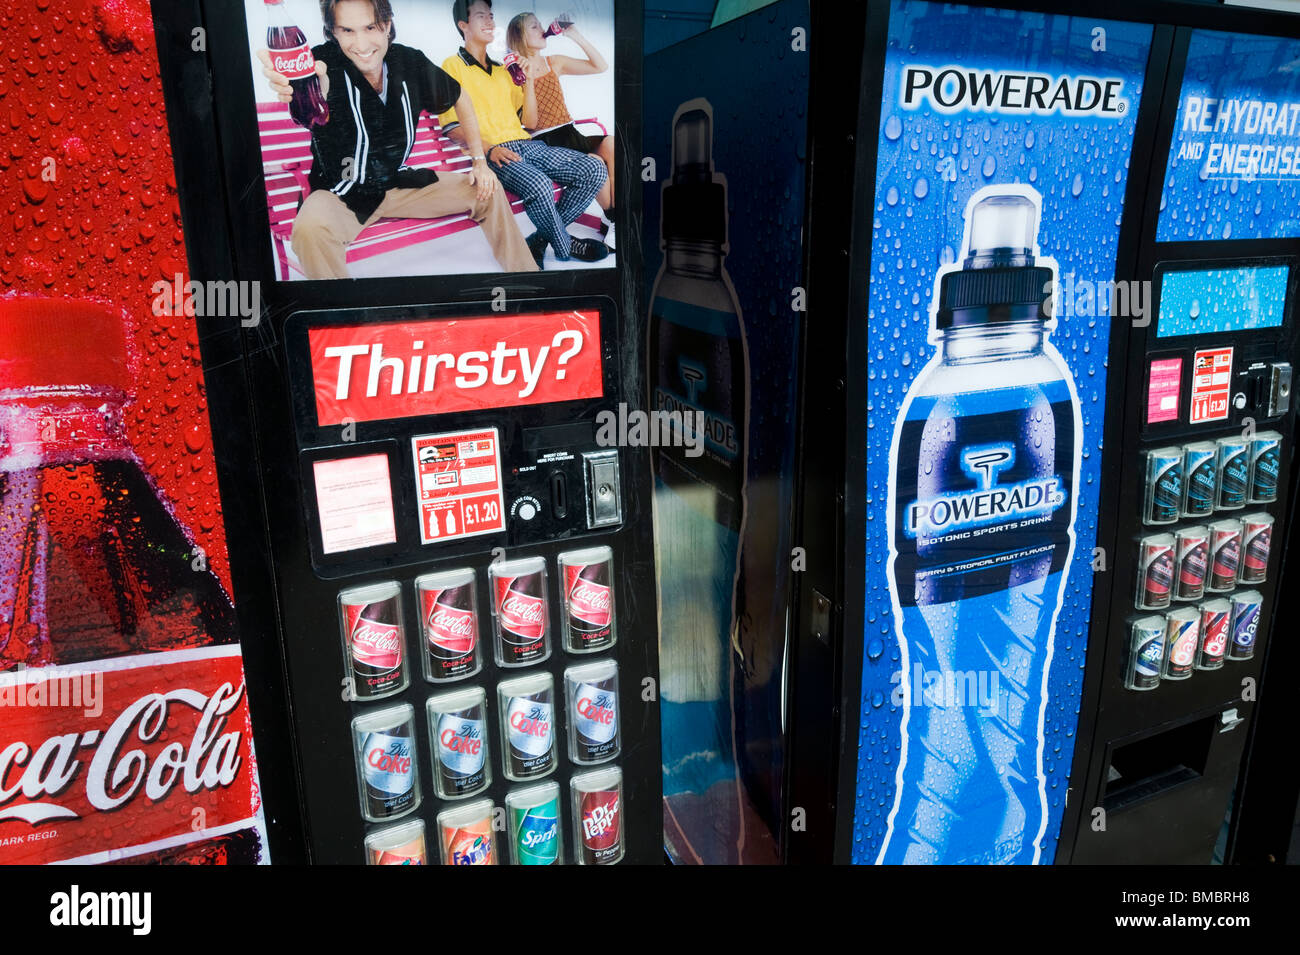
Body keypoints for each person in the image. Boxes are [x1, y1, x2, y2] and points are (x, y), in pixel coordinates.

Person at [257, 0, 538, 279]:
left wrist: (479, 161)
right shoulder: (321, 63)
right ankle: (343, 317)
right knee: (310, 230)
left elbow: (460, 96)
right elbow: (311, 94)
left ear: (387, 26)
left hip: (400, 183)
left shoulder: (409, 61)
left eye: (370, 27)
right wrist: (304, 89)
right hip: (341, 194)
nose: (361, 43)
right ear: (333, 32)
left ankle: (529, 282)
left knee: (487, 189)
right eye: (347, 31)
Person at [440, 0, 609, 268]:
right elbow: (451, 128)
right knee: (540, 185)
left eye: (491, 16)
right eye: (480, 16)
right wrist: (489, 150)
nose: (490, 22)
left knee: (593, 169)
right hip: (496, 153)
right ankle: (567, 244)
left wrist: (528, 79)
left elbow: (529, 121)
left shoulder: (503, 71)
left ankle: (539, 240)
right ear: (463, 25)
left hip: (528, 144)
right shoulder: (452, 66)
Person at [505, 12, 615, 240]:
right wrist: (529, 80)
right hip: (547, 144)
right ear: (520, 36)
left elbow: (600, 66)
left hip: (571, 133)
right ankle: (614, 218)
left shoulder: (553, 62)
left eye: (540, 25)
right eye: (534, 27)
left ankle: (612, 217)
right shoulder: (512, 73)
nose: (542, 29)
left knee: (613, 144)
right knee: (595, 163)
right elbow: (530, 123)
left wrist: (574, 35)